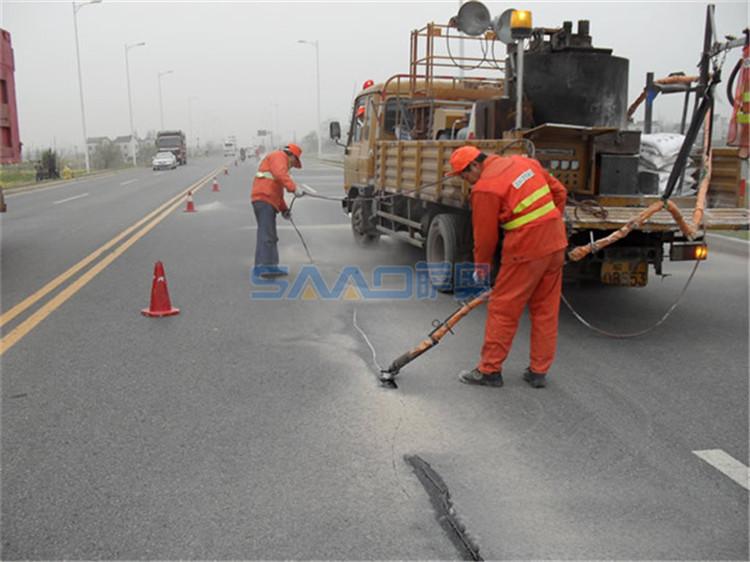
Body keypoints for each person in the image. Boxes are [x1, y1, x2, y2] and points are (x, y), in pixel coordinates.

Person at [448, 145, 568, 389]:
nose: (466, 182)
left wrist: (481, 269)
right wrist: (549, 223)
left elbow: (485, 238)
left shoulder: (484, 189)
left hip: (526, 248)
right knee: (545, 309)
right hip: (556, 242)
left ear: (474, 165)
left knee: (503, 309)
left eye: (464, 175)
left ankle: (489, 371)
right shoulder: (525, 162)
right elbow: (560, 192)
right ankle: (538, 372)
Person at [251, 143, 305, 279]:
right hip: (264, 199)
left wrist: (284, 209)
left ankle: (265, 266)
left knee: (267, 234)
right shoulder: (279, 156)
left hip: (266, 199)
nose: (292, 165)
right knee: (267, 235)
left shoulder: (277, 159)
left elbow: (278, 193)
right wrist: (294, 188)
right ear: (291, 155)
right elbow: (280, 174)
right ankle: (266, 268)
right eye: (295, 161)